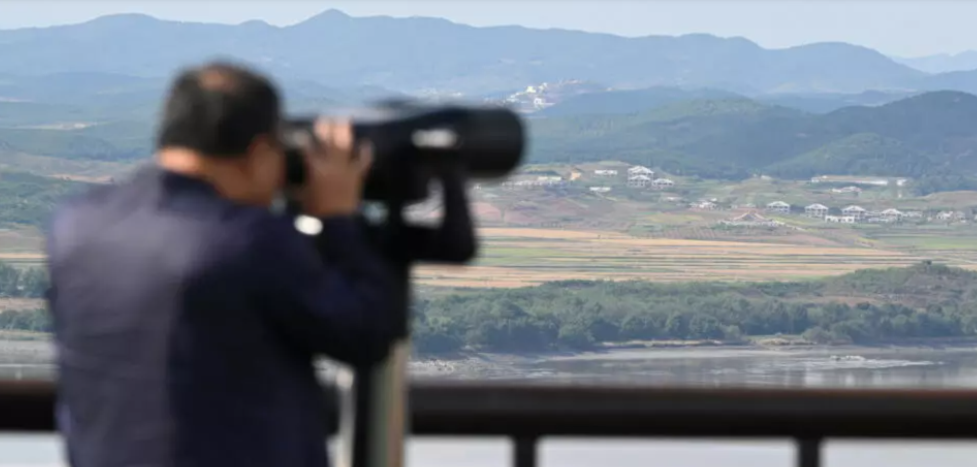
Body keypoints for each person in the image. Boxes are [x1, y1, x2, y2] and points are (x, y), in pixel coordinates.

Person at [44, 61, 397, 467]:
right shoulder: (247, 240)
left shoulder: (75, 226)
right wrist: (339, 219)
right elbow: (365, 332)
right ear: (261, 151)